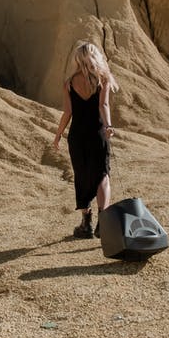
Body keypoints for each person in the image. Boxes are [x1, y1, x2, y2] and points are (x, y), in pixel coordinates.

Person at [51, 41, 118, 238]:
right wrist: (108, 126)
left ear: (77, 60)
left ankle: (86, 225)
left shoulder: (69, 83)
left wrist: (58, 135)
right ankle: (102, 224)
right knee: (102, 176)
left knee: (82, 177)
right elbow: (103, 105)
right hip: (96, 135)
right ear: (95, 56)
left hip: (77, 137)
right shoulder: (102, 79)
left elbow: (68, 112)